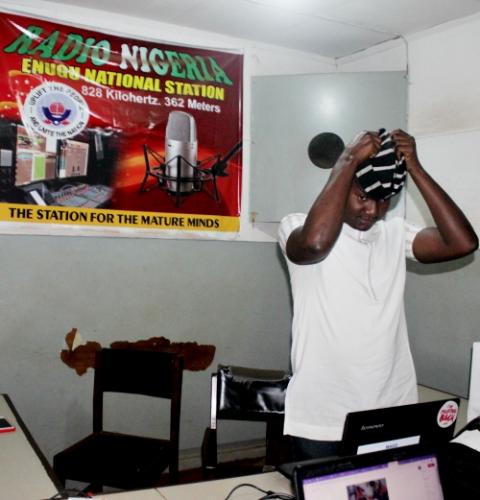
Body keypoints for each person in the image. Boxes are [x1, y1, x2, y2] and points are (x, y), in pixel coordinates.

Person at [278, 129, 478, 460]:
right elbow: (314, 244)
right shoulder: (296, 226)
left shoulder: (395, 236)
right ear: (341, 185)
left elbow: (463, 243)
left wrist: (416, 168)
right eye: (362, 196)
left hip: (392, 411)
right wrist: (348, 159)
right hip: (323, 419)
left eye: (383, 200)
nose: (372, 210)